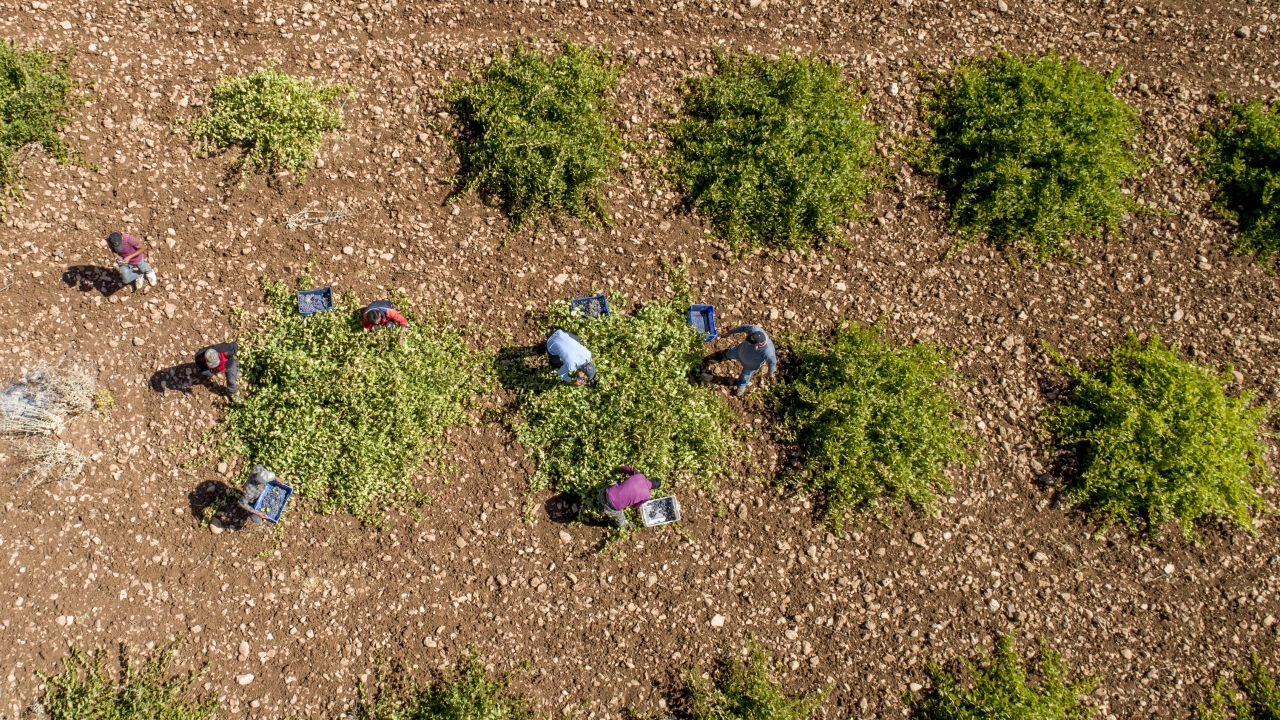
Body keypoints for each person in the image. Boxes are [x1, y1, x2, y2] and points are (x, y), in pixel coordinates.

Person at [702, 324, 777, 396]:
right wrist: (729, 332)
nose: (749, 342)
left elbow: (772, 362)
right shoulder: (754, 329)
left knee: (745, 376)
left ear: (759, 344)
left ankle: (741, 385)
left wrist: (770, 373)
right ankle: (723, 355)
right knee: (729, 353)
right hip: (739, 351)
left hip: (750, 365)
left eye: (752, 343)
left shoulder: (768, 352)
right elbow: (744, 327)